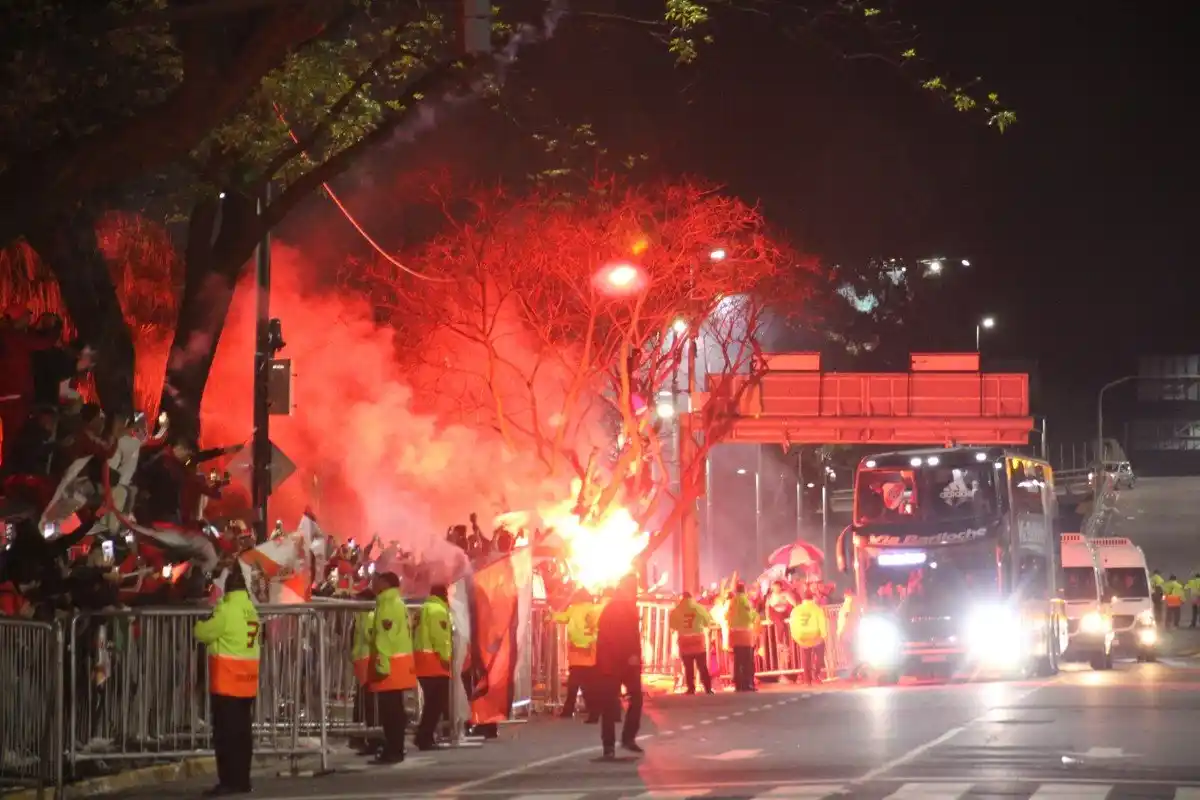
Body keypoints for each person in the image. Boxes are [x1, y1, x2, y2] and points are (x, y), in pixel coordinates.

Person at [194, 566, 260, 796]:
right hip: (248, 680)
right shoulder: (250, 609)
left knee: (226, 736)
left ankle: (228, 781)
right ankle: (243, 780)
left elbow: (202, 633)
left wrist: (201, 620)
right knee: (243, 735)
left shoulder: (227, 610)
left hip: (227, 681)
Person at [368, 571, 416, 763]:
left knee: (391, 711)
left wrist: (381, 663)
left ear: (385, 584)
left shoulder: (387, 605)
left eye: (377, 581)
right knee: (395, 708)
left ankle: (394, 750)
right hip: (399, 663)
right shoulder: (397, 603)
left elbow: (384, 638)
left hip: (390, 665)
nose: (374, 584)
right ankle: (396, 748)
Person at [594, 573, 643, 759]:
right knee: (612, 704)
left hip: (619, 663)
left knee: (629, 701)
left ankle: (621, 742)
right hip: (616, 663)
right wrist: (632, 657)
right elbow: (622, 638)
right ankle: (613, 745)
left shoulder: (621, 607)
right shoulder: (618, 609)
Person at [413, 584, 453, 750]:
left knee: (432, 703)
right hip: (435, 663)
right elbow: (440, 638)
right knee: (436, 703)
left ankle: (424, 735)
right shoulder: (438, 611)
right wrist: (446, 658)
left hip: (422, 660)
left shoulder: (423, 609)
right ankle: (424, 736)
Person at [554, 588, 600, 719]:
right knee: (588, 682)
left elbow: (561, 618)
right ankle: (592, 708)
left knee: (574, 683)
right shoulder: (595, 609)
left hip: (577, 651)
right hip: (591, 649)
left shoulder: (573, 609)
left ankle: (569, 710)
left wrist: (550, 615)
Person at [670, 591, 714, 694]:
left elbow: (673, 626)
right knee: (702, 665)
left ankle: (691, 688)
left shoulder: (677, 610)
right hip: (697, 638)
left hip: (684, 639)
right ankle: (708, 688)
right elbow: (708, 621)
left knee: (688, 666)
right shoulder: (699, 608)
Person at [788, 591, 828, 686]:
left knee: (805, 659)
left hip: (802, 637)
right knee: (819, 657)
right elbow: (822, 622)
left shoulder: (796, 610)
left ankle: (807, 680)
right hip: (815, 636)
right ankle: (816, 675)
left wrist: (795, 636)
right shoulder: (817, 609)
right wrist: (824, 635)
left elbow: (792, 623)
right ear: (812, 598)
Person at [728, 583, 758, 692]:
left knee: (737, 660)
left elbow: (728, 616)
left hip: (734, 633)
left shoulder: (732, 601)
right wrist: (754, 616)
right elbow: (749, 615)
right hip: (745, 633)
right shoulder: (745, 601)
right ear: (744, 590)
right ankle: (748, 684)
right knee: (747, 661)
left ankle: (738, 685)